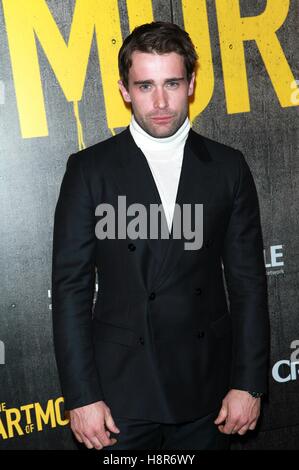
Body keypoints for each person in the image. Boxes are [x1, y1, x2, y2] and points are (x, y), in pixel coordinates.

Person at [52, 21, 270, 450]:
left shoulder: (228, 168)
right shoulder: (89, 170)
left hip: (207, 392)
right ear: (124, 90)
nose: (160, 101)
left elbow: (247, 284)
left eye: (171, 83)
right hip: (119, 398)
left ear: (190, 84)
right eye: (145, 85)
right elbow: (70, 289)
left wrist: (249, 383)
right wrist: (82, 397)